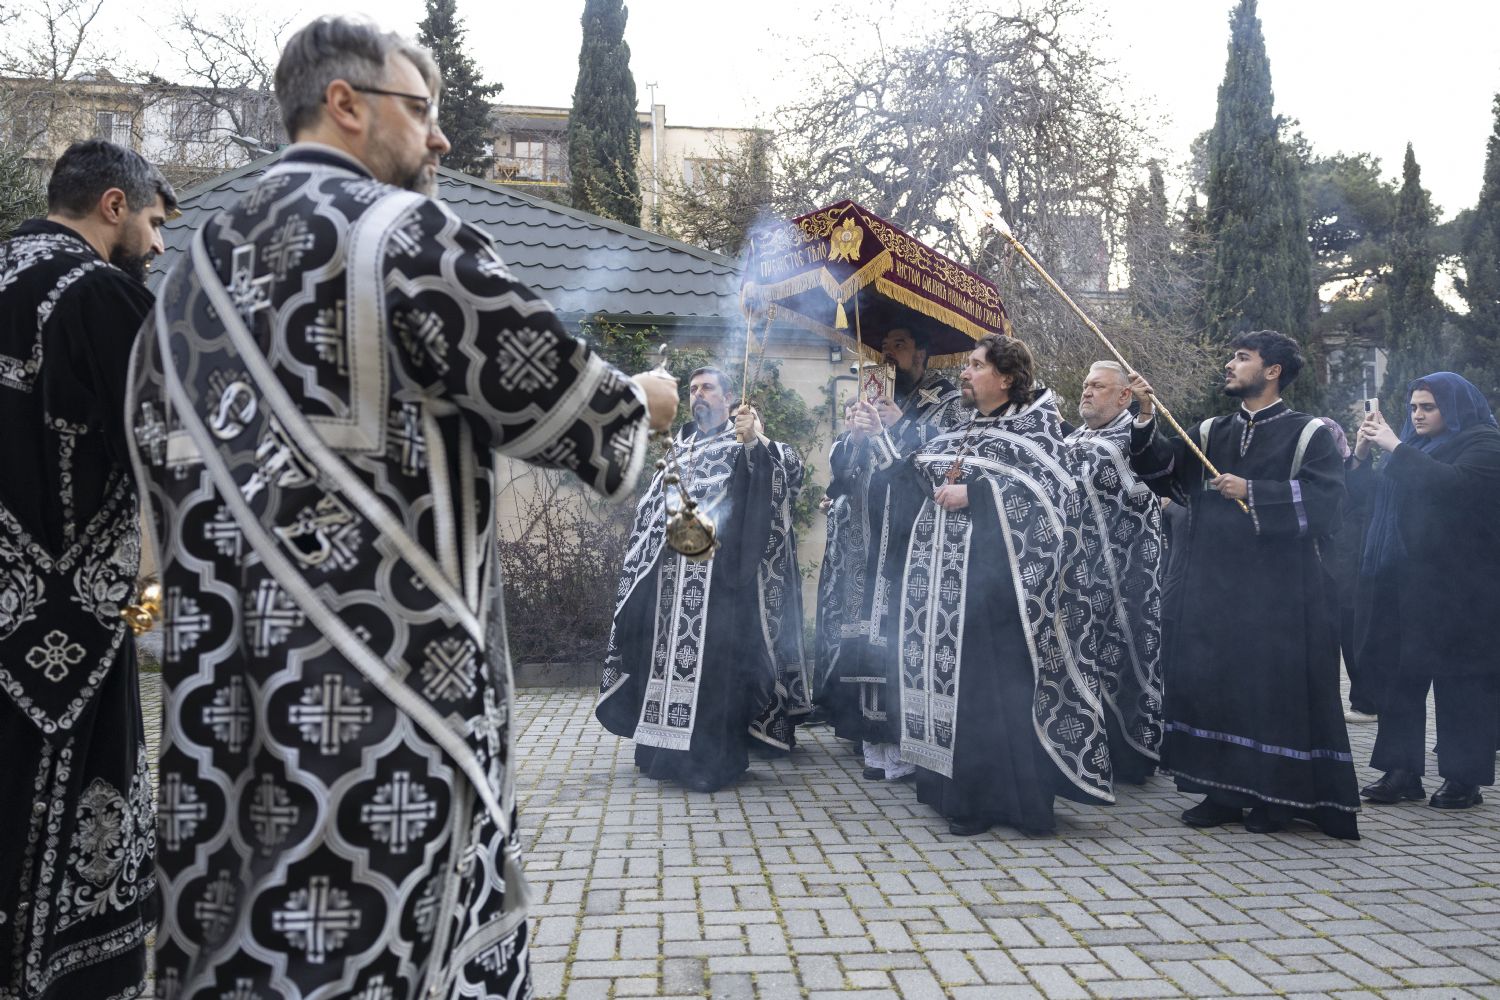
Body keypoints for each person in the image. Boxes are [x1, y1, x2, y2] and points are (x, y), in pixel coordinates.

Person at [126, 17, 677, 999]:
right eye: (421, 110)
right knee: (389, 951)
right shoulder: (395, 234)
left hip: (221, 725)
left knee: (246, 953)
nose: (442, 136)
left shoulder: (186, 279)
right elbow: (555, 392)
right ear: (346, 104)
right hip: (386, 718)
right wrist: (646, 400)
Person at [0, 140, 174, 1000]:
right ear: (113, 206)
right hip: (68, 642)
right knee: (73, 828)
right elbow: (181, 437)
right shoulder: (96, 292)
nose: (159, 244)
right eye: (154, 222)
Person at [1128, 330, 1359, 839]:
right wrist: (1145, 415)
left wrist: (1251, 490)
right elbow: (1165, 474)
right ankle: (1223, 792)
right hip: (1216, 590)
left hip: (1281, 596)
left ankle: (1275, 798)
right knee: (1219, 688)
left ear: (1272, 370)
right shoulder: (1210, 431)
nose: (1230, 365)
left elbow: (1327, 505)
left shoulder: (1309, 434)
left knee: (1272, 693)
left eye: (1242, 358)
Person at [884, 335, 1114, 836]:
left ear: (1006, 378)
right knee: (956, 688)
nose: (964, 373)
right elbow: (916, 472)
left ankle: (995, 802)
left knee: (991, 694)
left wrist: (978, 494)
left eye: (975, 366)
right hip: (949, 588)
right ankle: (953, 793)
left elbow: (1053, 496)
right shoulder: (963, 428)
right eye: (966, 365)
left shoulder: (1039, 431)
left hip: (1006, 596)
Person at [597, 367, 805, 793]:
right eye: (693, 389)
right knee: (661, 667)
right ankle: (661, 755)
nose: (698, 395)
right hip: (667, 585)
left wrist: (756, 443)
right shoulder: (680, 448)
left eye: (708, 388)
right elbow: (649, 515)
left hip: (719, 586)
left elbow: (784, 481)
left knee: (713, 675)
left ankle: (709, 763)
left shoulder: (744, 442)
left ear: (729, 399)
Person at [1351, 373, 1500, 809]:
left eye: (1428, 407)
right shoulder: (1413, 447)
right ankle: (1401, 771)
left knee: (1463, 683)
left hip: (1461, 588)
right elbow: (1366, 503)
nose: (1417, 415)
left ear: (1454, 407)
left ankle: (1463, 779)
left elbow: (1453, 486)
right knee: (1399, 678)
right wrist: (1361, 454)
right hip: (1401, 582)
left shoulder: (1485, 443)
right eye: (1414, 407)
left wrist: (1395, 447)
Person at [830, 326, 964, 782]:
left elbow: (948, 456)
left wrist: (899, 424)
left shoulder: (947, 401)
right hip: (865, 541)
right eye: (884, 347)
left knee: (900, 640)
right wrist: (855, 436)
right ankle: (873, 742)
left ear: (923, 353)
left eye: (900, 346)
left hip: (912, 541)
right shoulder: (869, 398)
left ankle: (907, 744)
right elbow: (844, 475)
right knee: (866, 639)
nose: (888, 355)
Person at [1064, 361, 1165, 785]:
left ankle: (1129, 756)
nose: (1086, 392)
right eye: (1086, 385)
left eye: (1098, 386)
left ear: (1125, 396)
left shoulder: (1135, 439)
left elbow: (1146, 478)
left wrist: (1147, 411)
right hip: (1076, 574)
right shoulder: (1073, 438)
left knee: (1125, 656)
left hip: (1127, 576)